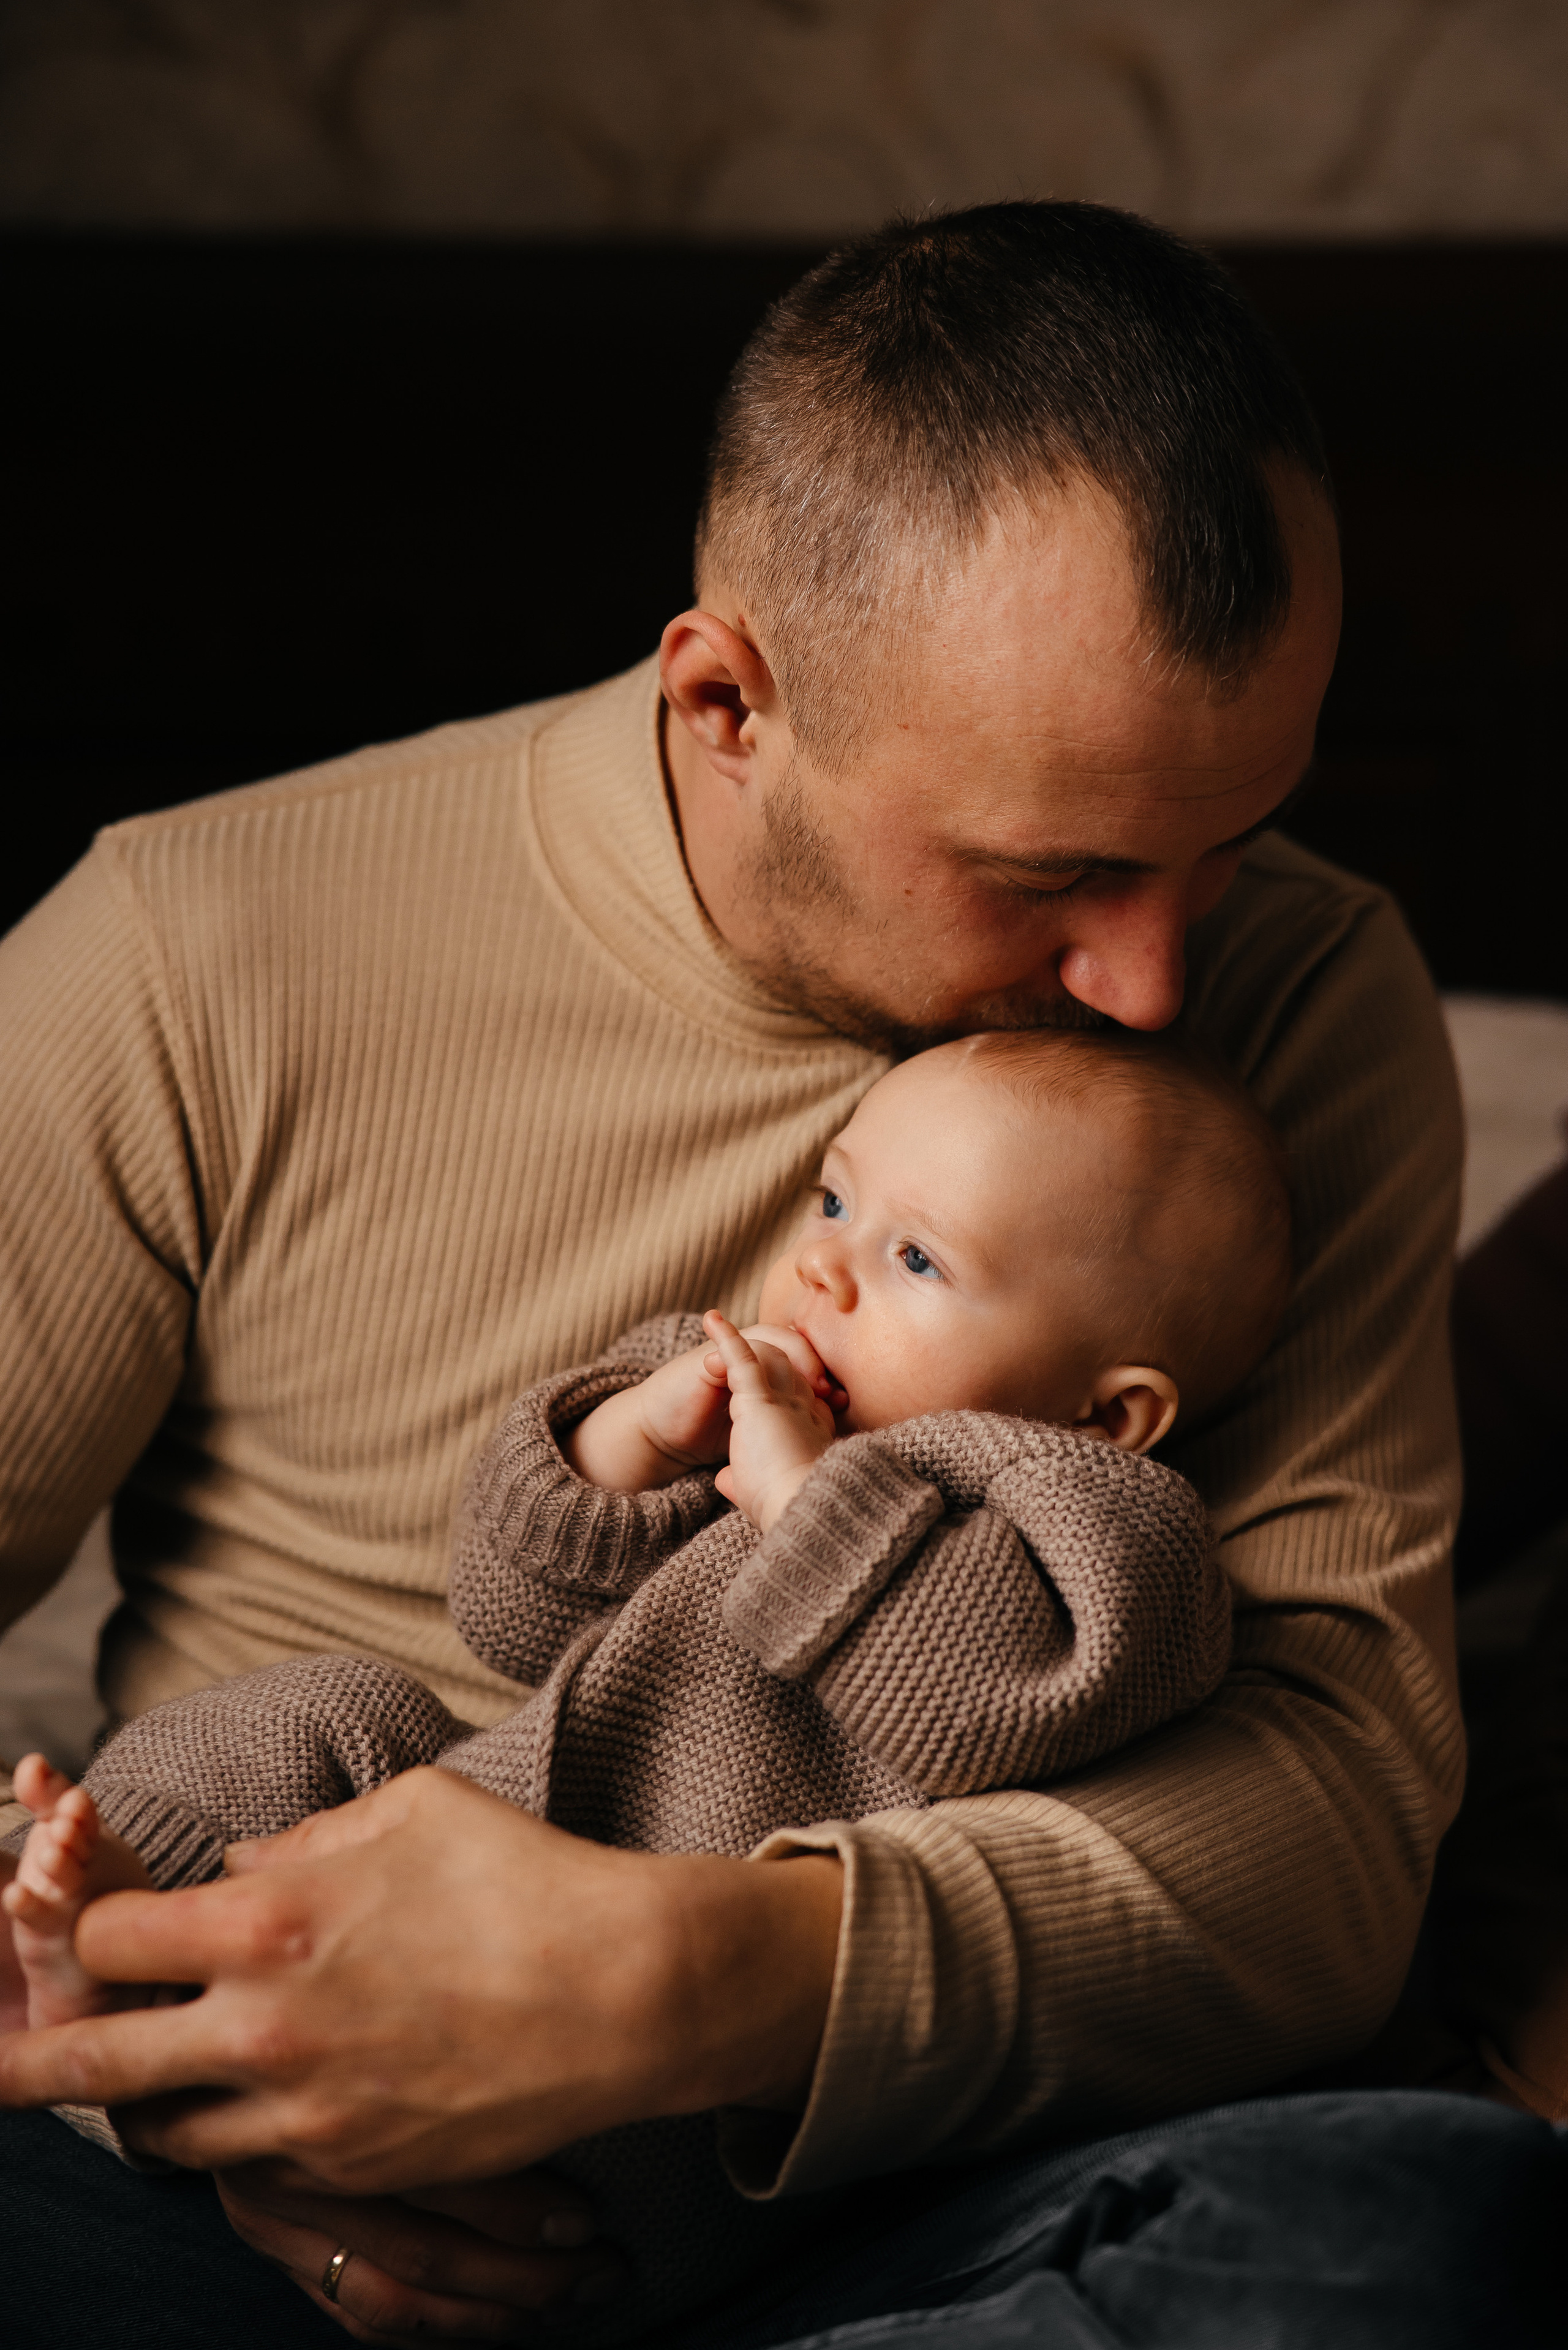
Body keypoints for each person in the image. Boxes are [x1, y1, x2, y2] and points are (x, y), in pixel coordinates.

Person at [2, 201, 1559, 2347]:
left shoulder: (1304, 994)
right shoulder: (186, 954)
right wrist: (181, 2079)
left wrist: (701, 1981)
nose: (1160, 974)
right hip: (231, 2166)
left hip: (897, 2181)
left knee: (1430, 2229)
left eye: (1230, 837)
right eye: (1061, 869)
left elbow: (1329, 1828)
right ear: (728, 698)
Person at [7, 1026, 1275, 2335]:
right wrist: (624, 1442)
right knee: (326, 1710)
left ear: (1104, 1410)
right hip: (474, 1830)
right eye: (834, 1200)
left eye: (915, 1259)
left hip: (649, 2059)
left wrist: (800, 1498)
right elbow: (505, 1609)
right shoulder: (778, 1406)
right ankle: (107, 1917)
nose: (820, 1268)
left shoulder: (1101, 1522)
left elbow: (990, 1701)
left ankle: (158, 2000)